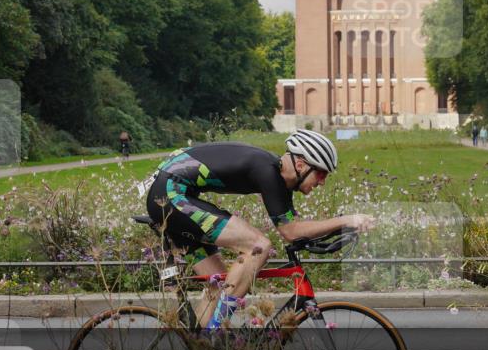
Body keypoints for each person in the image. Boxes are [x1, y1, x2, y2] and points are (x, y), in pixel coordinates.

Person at [145, 130, 375, 331]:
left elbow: (295, 227)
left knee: (216, 286)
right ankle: (216, 331)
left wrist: (336, 230)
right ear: (302, 165)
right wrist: (346, 220)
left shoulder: (278, 176)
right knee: (259, 246)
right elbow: (291, 231)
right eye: (321, 173)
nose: (322, 182)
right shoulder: (267, 171)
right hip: (169, 195)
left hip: (175, 194)